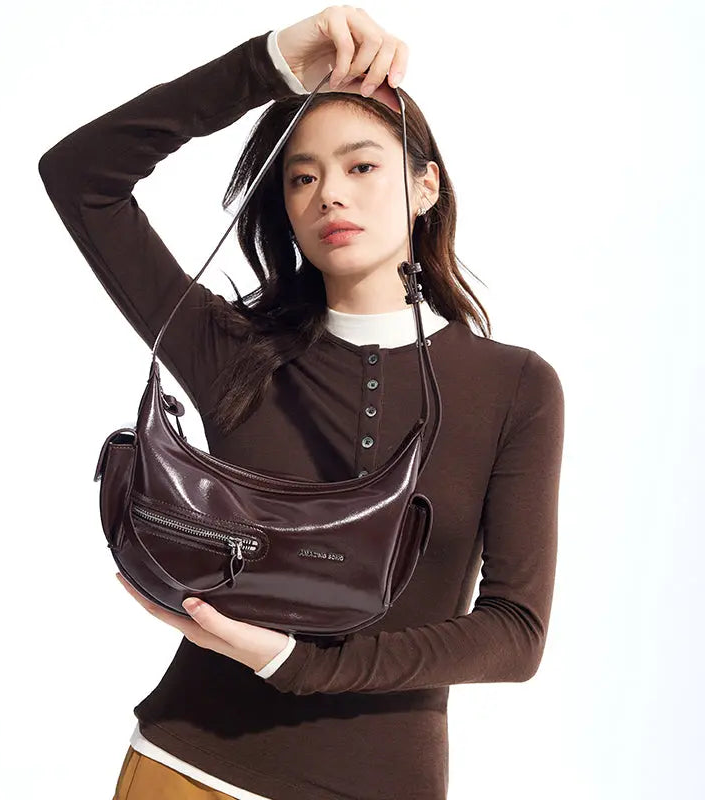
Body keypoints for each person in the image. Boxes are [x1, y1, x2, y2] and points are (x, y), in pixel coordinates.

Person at [38, 7, 565, 799]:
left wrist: (299, 664)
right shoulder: (234, 352)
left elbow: (515, 636)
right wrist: (272, 64)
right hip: (187, 767)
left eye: (361, 167)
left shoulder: (516, 387)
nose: (329, 195)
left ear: (425, 187)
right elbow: (81, 175)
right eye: (302, 176)